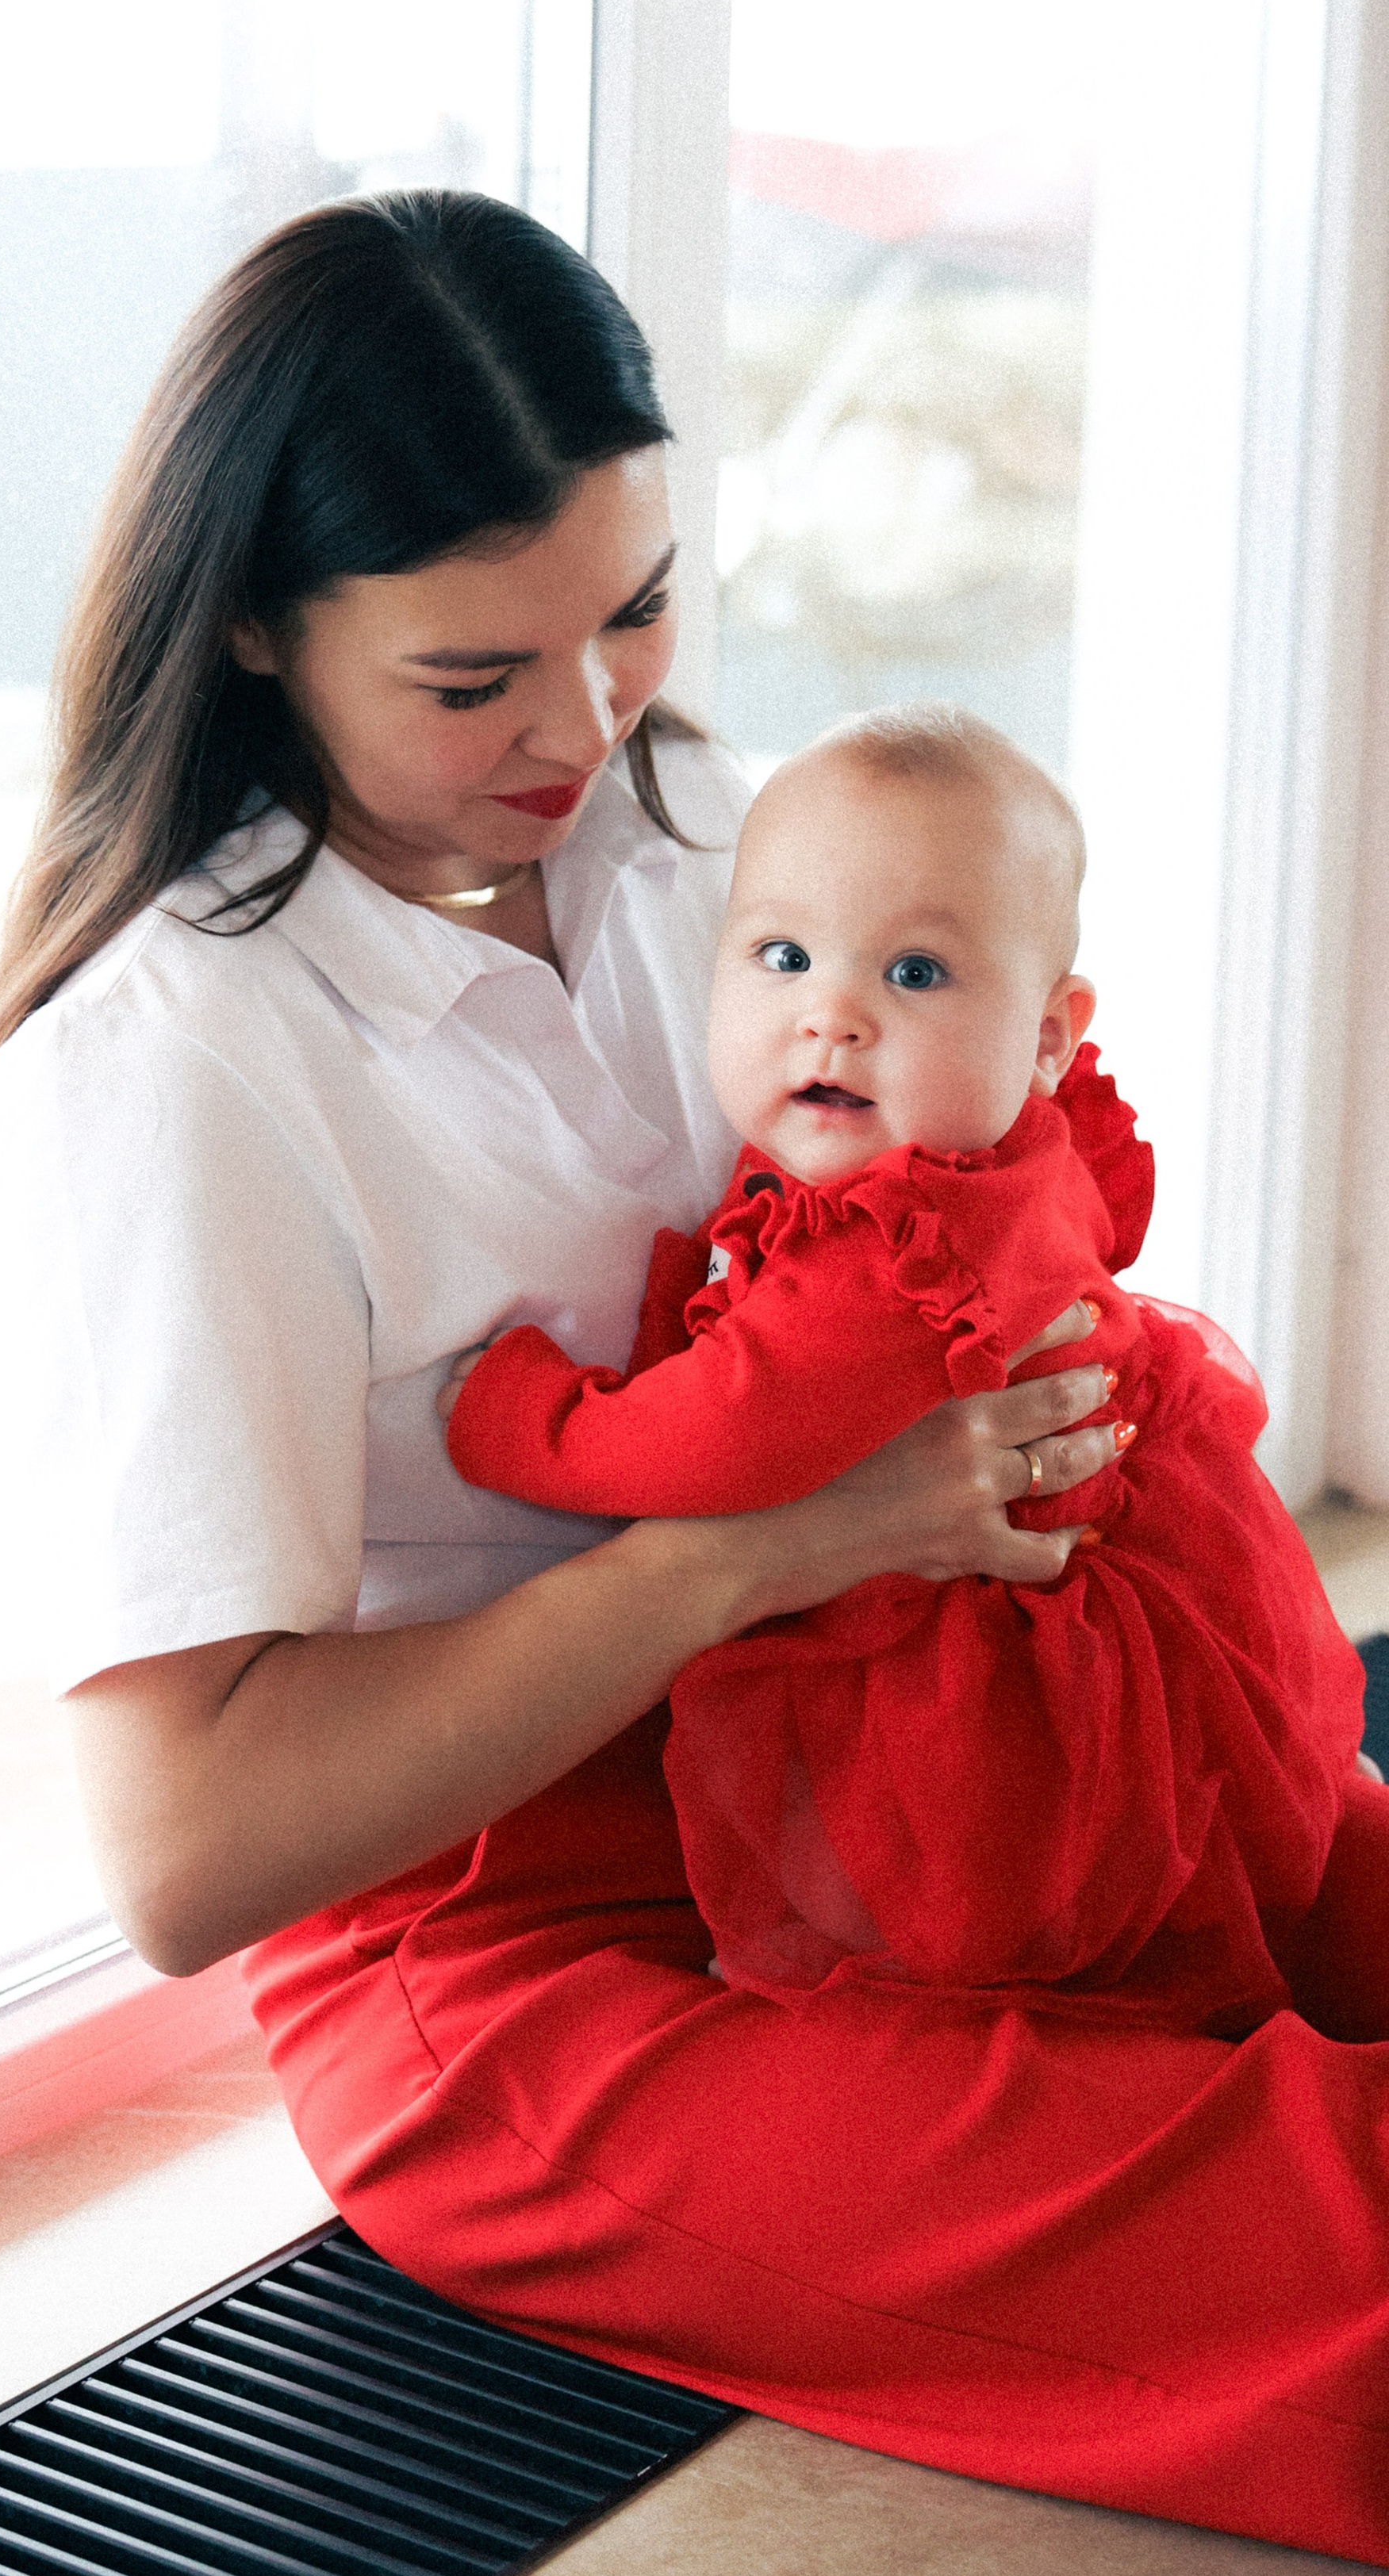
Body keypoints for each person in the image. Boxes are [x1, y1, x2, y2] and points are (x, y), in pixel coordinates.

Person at [0, 192, 1389, 2565]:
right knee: (1307, 2236)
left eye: (634, 608)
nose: (585, 718)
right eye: (469, 676)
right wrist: (768, 1551)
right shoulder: (172, 1065)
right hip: (514, 1944)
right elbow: (189, 1861)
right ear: (251, 630)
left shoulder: (708, 839)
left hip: (928, 1738)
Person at [442, 709, 1372, 2035]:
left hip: (977, 1702)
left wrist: (518, 1413)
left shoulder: (894, 1256)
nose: (833, 1014)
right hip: (1126, 1607)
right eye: (782, 955)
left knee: (967, 1941)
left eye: (918, 974)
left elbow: (713, 1439)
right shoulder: (1004, 1155)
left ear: (1048, 1037)